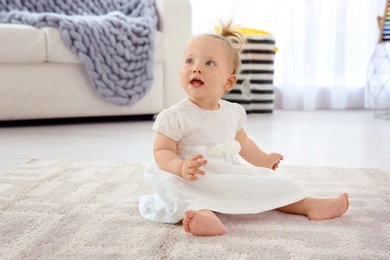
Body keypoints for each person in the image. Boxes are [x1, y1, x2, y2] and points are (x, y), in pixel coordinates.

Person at [139, 20, 349, 236]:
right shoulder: (175, 116)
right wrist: (180, 167)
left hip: (225, 173)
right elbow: (161, 152)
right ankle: (202, 215)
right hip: (189, 175)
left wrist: (264, 159)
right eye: (189, 61)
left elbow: (244, 144)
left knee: (268, 181)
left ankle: (309, 204)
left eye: (209, 63)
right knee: (175, 189)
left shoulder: (232, 112)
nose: (196, 67)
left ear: (229, 82)